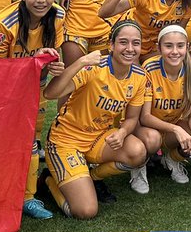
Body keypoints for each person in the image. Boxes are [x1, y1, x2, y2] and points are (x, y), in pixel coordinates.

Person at [40, 20, 149, 218]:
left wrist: (123, 132)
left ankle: (92, 177)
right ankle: (48, 180)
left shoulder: (140, 77)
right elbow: (50, 93)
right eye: (123, 42)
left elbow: (132, 118)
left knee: (138, 152)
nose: (130, 49)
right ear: (111, 45)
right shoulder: (93, 68)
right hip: (66, 140)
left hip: (98, 138)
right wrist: (81, 62)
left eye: (136, 43)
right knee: (86, 211)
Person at [0, 0, 65, 220]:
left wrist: (53, 65)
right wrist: (32, 64)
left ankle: (28, 196)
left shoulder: (58, 15)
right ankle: (0, 190)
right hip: (0, 90)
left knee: (31, 139)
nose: (41, 0)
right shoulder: (2, 24)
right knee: (3, 141)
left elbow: (52, 56)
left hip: (33, 86)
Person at [135, 25, 191, 187]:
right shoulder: (150, 67)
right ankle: (138, 165)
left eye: (180, 46)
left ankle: (171, 159)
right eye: (168, 46)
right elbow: (145, 117)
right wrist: (176, 129)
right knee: (153, 139)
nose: (175, 51)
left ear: (188, 47)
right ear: (159, 48)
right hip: (148, 128)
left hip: (172, 126)